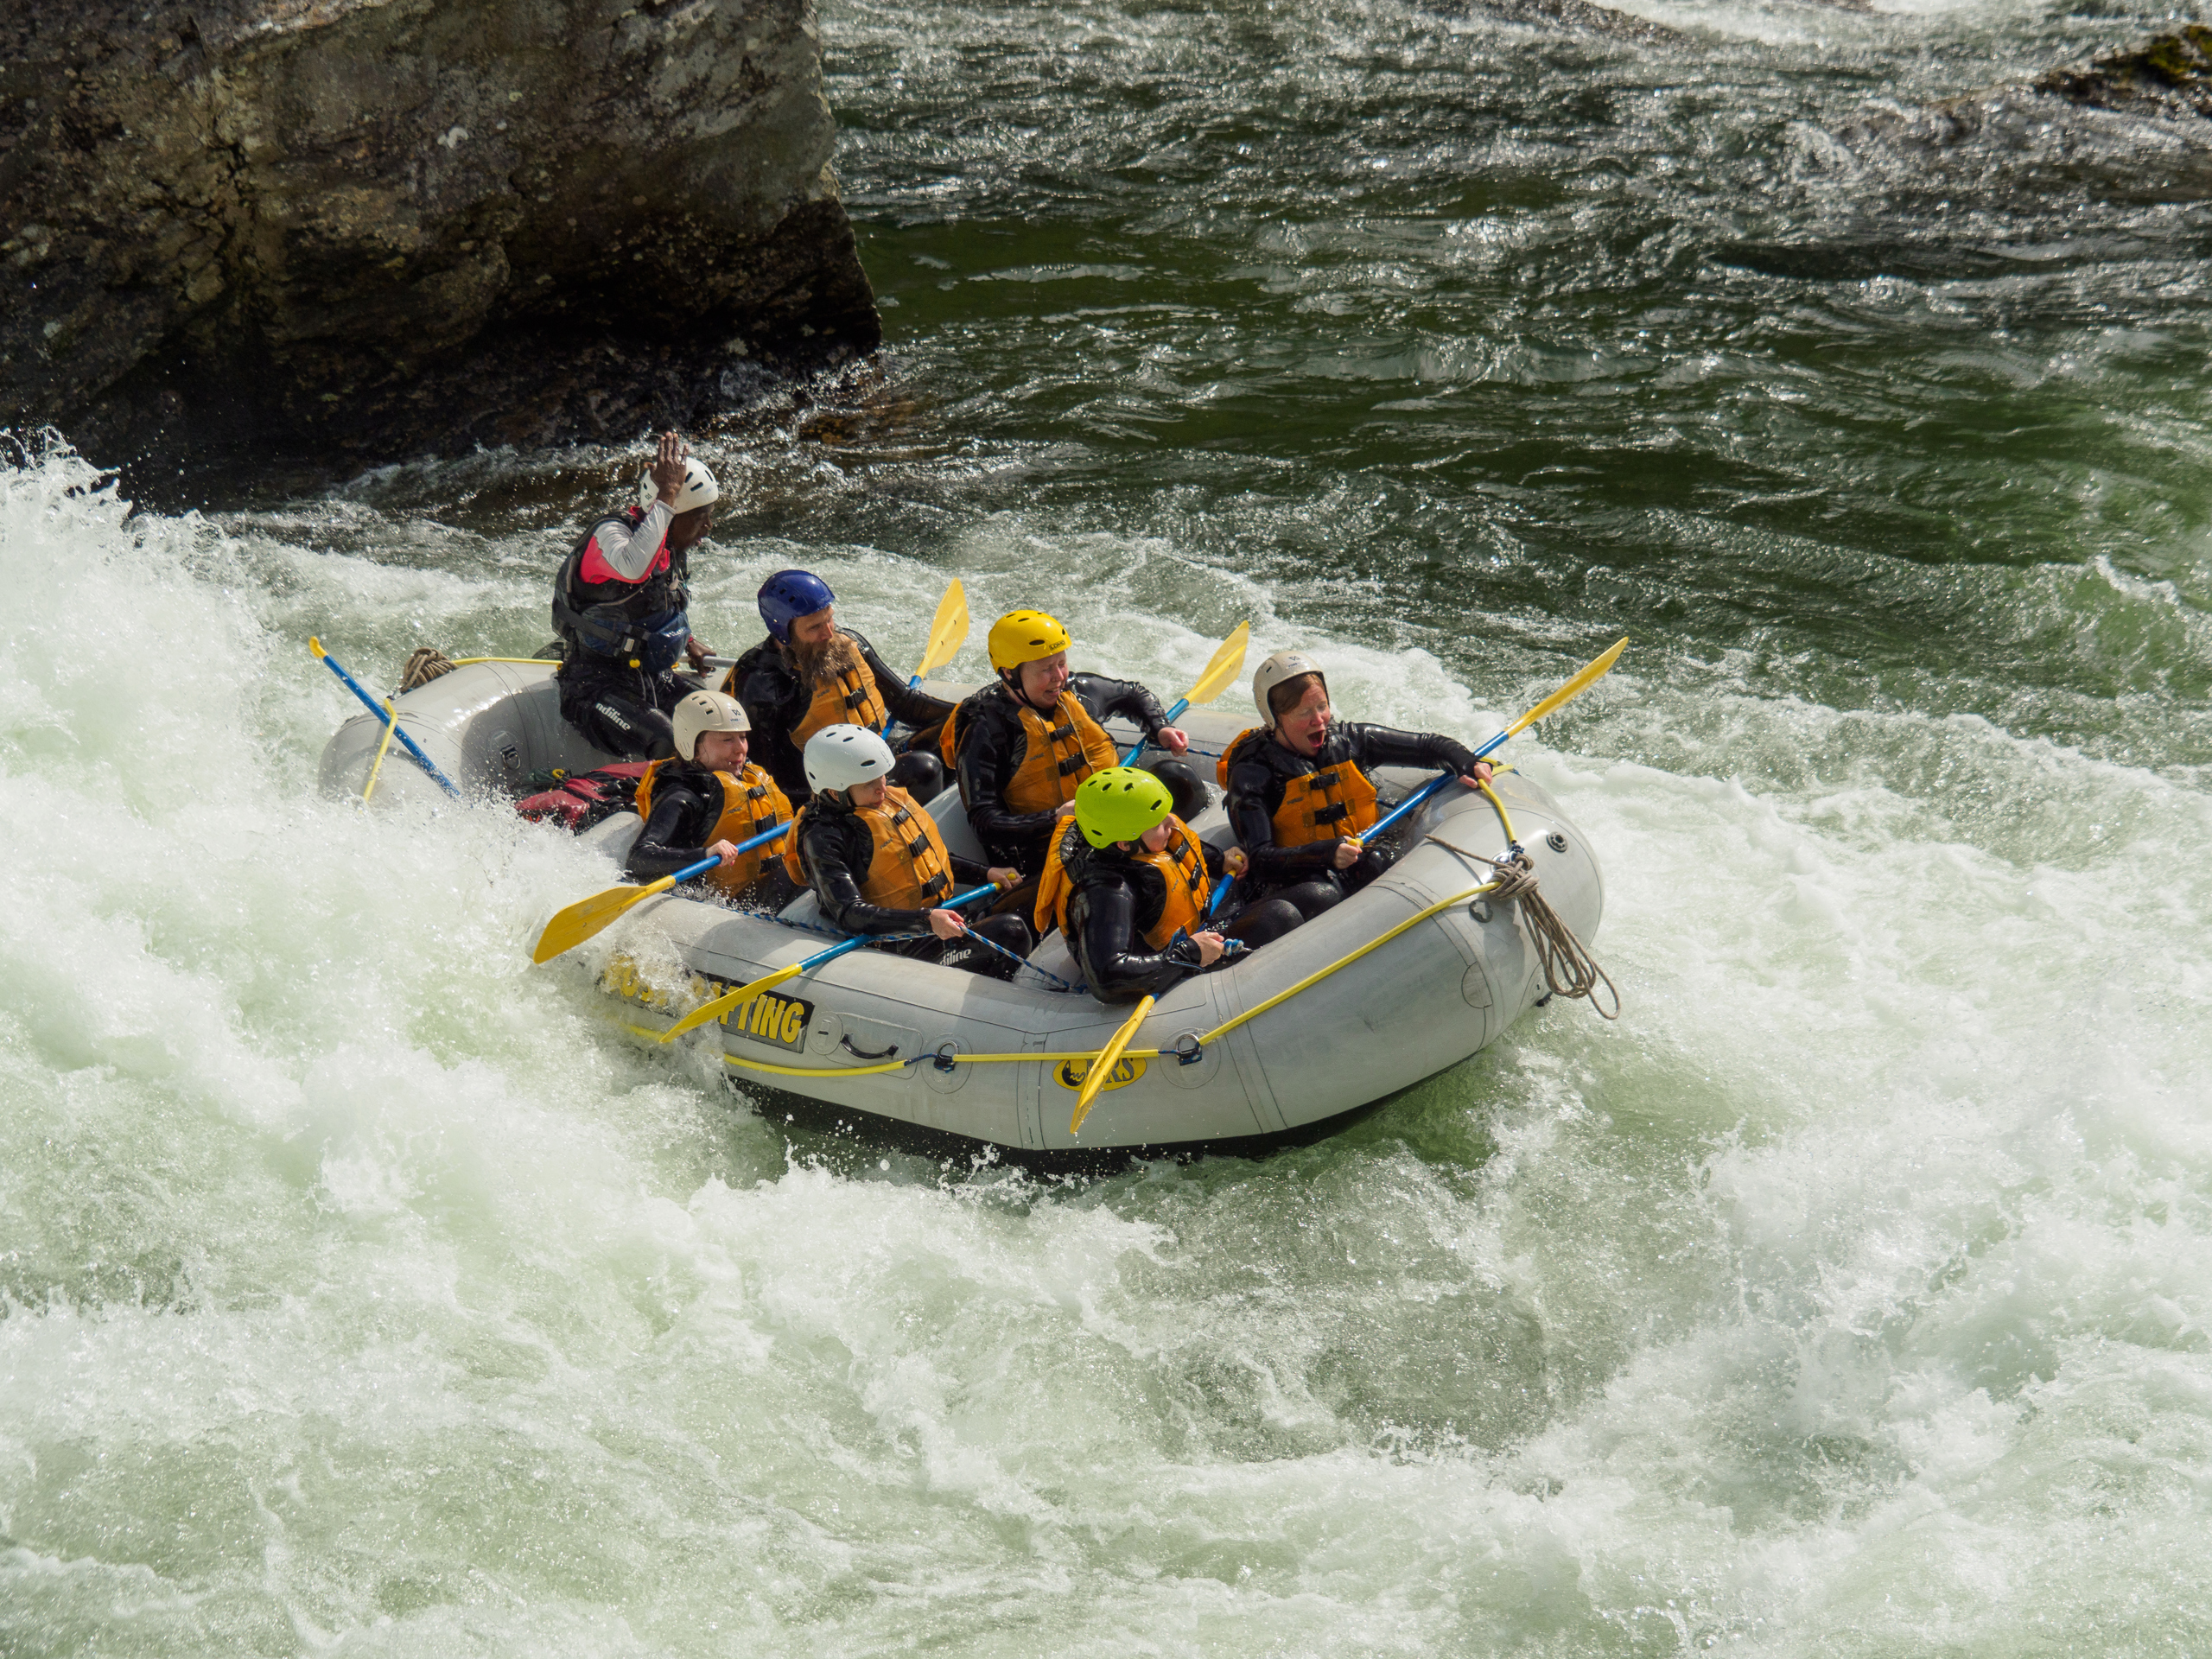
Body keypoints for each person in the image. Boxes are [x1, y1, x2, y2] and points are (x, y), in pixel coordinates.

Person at [1219, 651, 1494, 921]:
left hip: (1358, 858)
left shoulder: (1349, 741)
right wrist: (1325, 855)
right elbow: (1261, 860)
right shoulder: (1253, 773)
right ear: (1275, 718)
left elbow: (1427, 746)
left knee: (1378, 860)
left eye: (1322, 706)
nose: (1319, 720)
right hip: (1295, 880)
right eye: (1304, 712)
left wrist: (1466, 762)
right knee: (1322, 894)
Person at [941, 608, 1208, 882]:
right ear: (1010, 674)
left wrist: (1160, 727)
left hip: (1116, 826)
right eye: (1045, 669)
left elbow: (1133, 694)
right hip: (1051, 853)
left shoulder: (1079, 691)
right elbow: (984, 822)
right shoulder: (985, 729)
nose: (1058, 676)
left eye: (1061, 663)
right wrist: (1054, 817)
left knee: (1178, 777)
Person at [1035, 768, 1313, 1005]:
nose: (1171, 820)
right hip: (1167, 960)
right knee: (1280, 916)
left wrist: (1219, 861)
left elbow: (1177, 849)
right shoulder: (1107, 891)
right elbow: (1107, 977)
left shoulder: (1141, 838)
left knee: (1315, 895)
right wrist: (1190, 952)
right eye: (1159, 822)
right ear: (1124, 844)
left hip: (1194, 932)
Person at [784, 725, 1033, 982]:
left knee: (1032, 897)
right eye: (869, 784)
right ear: (835, 794)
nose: (883, 788)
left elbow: (924, 859)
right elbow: (849, 913)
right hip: (901, 943)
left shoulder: (883, 801)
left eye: (881, 777)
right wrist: (926, 920)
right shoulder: (823, 837)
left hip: (941, 918)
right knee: (1010, 931)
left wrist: (986, 873)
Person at [552, 431, 719, 760]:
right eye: (700, 518)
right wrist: (668, 494)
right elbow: (633, 568)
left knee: (721, 725)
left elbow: (654, 604)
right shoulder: (611, 535)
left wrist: (687, 641)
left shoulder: (668, 548)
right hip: (592, 685)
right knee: (666, 739)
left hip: (652, 677)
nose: (708, 526)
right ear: (669, 512)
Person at [722, 569, 950, 806]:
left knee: (958, 730)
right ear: (783, 632)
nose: (829, 633)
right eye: (814, 627)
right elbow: (769, 778)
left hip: (883, 748)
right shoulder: (766, 684)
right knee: (923, 769)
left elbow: (905, 704)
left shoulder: (848, 644)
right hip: (832, 788)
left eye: (829, 619)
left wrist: (964, 710)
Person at [624, 690, 798, 906]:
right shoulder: (682, 795)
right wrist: (705, 854)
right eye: (727, 740)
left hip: (768, 885)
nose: (740, 749)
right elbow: (638, 858)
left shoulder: (749, 777)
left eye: (743, 737)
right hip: (731, 902)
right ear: (693, 747)